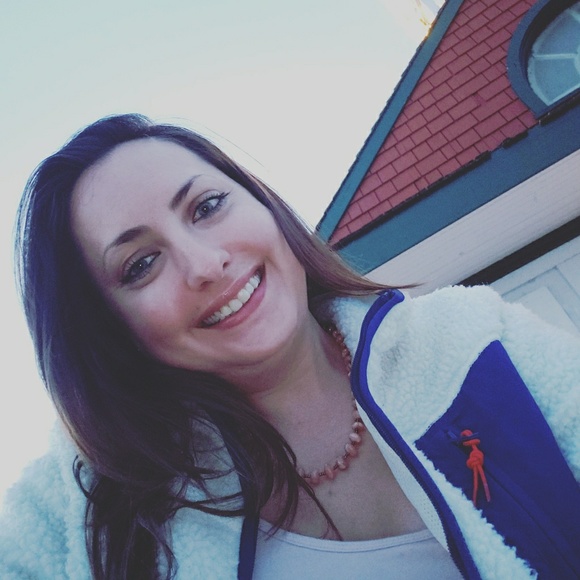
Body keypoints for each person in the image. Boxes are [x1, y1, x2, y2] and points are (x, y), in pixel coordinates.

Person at [1, 113, 579, 580]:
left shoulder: (474, 339)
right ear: (108, 330)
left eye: (207, 207)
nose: (206, 264)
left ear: (264, 203)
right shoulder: (90, 501)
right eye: (141, 264)